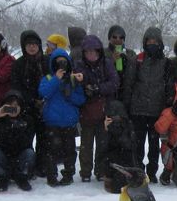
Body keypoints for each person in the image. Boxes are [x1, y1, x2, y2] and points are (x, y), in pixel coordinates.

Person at [122, 26, 175, 183]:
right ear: (145, 42)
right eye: (149, 41)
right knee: (137, 144)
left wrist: (168, 104)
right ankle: (138, 171)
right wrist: (127, 105)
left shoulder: (166, 63)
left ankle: (152, 172)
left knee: (154, 146)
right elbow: (129, 84)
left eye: (155, 41)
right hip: (137, 110)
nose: (152, 43)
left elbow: (169, 86)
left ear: (160, 42)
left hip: (157, 111)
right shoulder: (136, 60)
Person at [38, 48, 85, 186]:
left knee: (69, 151)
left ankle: (68, 174)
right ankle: (51, 174)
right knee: (51, 150)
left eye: (64, 62)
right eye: (58, 62)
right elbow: (43, 92)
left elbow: (81, 100)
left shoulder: (73, 79)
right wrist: (56, 80)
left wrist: (70, 94)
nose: (61, 65)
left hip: (69, 122)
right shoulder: (48, 78)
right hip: (52, 121)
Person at [75, 34, 118, 182]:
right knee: (86, 145)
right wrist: (84, 85)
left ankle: (100, 170)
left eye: (93, 51)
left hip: (104, 110)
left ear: (99, 51)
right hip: (86, 111)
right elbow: (76, 85)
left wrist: (97, 88)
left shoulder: (107, 64)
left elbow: (114, 83)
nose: (91, 54)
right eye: (87, 52)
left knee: (102, 144)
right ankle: (85, 172)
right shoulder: (80, 65)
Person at [11, 30, 50, 177]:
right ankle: (27, 166)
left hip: (45, 105)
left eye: (34, 44)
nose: (32, 48)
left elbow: (51, 81)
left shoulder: (46, 61)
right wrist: (31, 100)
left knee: (44, 139)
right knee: (26, 138)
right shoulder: (19, 64)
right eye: (29, 45)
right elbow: (17, 86)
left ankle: (42, 166)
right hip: (26, 106)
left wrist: (44, 99)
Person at [0, 90, 36, 192]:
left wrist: (18, 129)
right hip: (4, 155)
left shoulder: (27, 120)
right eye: (10, 106)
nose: (13, 109)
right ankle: (2, 177)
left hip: (20, 156)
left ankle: (22, 176)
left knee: (30, 153)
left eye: (16, 106)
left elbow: (27, 143)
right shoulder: (0, 120)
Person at [103, 100, 137, 193]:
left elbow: (109, 148)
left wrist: (109, 130)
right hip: (124, 168)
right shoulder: (128, 124)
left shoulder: (123, 126)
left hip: (121, 167)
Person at [104, 25, 136, 101]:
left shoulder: (130, 53)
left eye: (121, 37)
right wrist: (112, 61)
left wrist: (127, 61)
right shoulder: (103, 52)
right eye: (114, 37)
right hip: (109, 93)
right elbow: (99, 72)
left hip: (126, 92)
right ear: (109, 38)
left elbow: (136, 72)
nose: (118, 39)